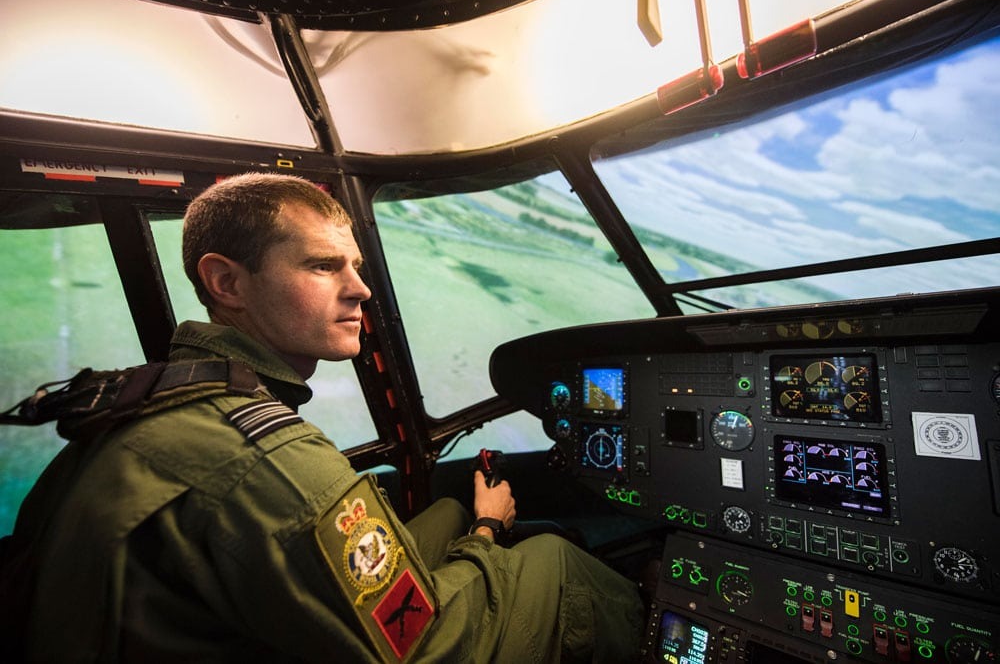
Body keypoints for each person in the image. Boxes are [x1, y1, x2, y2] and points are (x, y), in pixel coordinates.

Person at [7, 172, 644, 662]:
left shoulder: (156, 398)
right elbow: (431, 651)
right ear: (227, 283)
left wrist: (465, 524)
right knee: (554, 560)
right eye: (322, 265)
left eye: (356, 267)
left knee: (446, 512)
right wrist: (484, 534)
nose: (360, 288)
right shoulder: (264, 455)